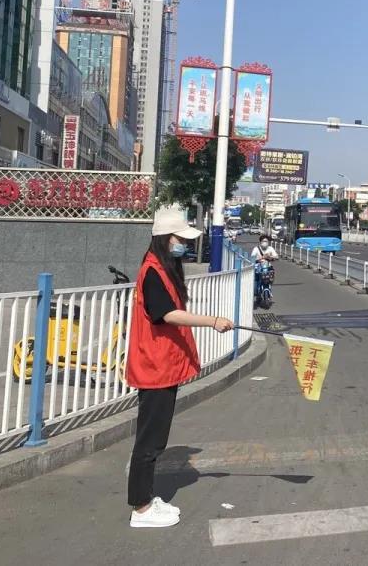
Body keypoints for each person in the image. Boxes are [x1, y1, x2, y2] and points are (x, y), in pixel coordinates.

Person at [126, 208, 234, 529]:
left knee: (156, 438)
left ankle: (147, 498)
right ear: (164, 239)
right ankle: (141, 508)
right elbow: (167, 314)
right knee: (150, 441)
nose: (183, 245)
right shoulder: (152, 272)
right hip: (155, 366)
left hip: (163, 365)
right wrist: (212, 321)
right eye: (179, 239)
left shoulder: (163, 268)